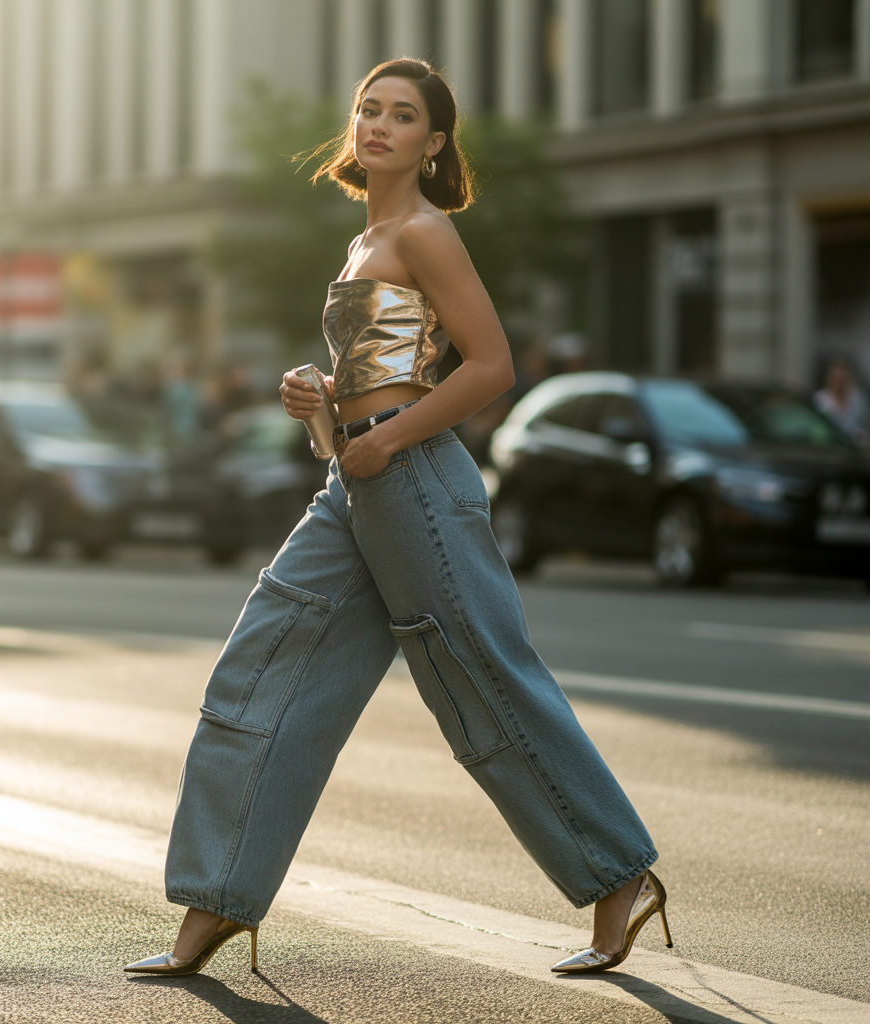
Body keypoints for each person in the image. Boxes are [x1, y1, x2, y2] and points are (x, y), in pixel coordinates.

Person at [124, 59, 670, 980]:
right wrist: (321, 406)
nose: (378, 124)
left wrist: (384, 440)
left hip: (415, 479)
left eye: (403, 114)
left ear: (434, 141)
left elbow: (491, 366)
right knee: (261, 673)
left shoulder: (427, 231)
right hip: (358, 481)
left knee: (484, 684)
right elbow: (383, 376)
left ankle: (617, 876)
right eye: (368, 109)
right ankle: (217, 900)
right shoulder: (363, 238)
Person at [814, 356, 868, 445]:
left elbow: (862, 423)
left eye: (843, 379)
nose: (840, 383)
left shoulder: (857, 399)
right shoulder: (820, 400)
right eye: (837, 379)